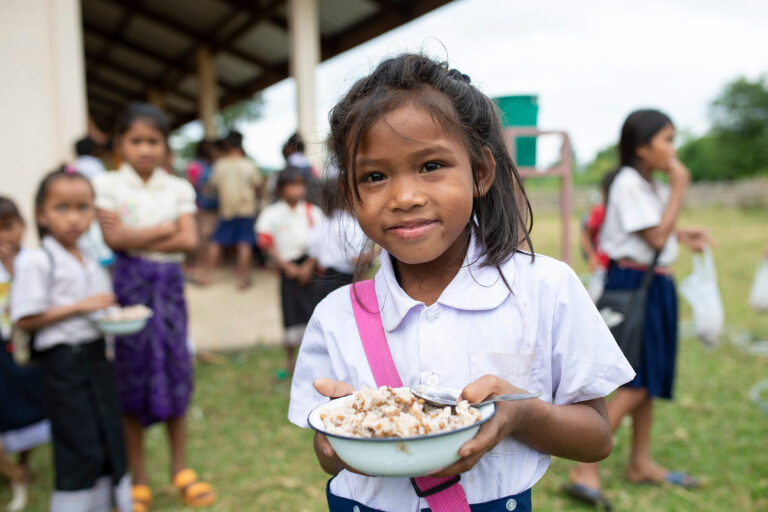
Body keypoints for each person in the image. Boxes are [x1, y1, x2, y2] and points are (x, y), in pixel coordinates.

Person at [287, 53, 636, 512]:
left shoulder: (545, 288)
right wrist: (341, 435)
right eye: (374, 176)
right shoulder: (337, 315)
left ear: (481, 173)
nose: (405, 197)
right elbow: (327, 459)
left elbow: (597, 438)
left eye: (431, 165)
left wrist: (523, 414)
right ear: (351, 196)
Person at [564, 109, 716, 509]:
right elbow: (653, 236)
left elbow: (662, 231)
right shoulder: (630, 183)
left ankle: (640, 463)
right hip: (632, 285)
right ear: (641, 148)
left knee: (650, 381)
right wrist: (681, 188)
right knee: (636, 382)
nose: (673, 149)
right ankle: (584, 465)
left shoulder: (651, 186)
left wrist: (684, 233)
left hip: (656, 283)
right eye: (667, 140)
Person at [93, 103, 215, 511]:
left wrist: (137, 235)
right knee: (131, 377)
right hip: (129, 290)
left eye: (153, 141)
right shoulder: (108, 184)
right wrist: (166, 229)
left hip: (169, 291)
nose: (145, 149)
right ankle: (138, 477)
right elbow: (114, 242)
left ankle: (180, 468)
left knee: (176, 369)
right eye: (136, 140)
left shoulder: (178, 187)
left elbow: (188, 242)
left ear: (165, 146)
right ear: (120, 144)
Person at [10, 168, 130, 511]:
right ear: (41, 214)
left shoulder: (90, 259)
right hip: (63, 364)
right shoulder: (37, 260)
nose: (73, 218)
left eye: (83, 207)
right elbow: (25, 318)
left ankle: (109, 503)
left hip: (95, 357)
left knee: (107, 432)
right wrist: (80, 307)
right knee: (79, 442)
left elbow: (97, 310)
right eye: (61, 208)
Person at [0, 196, 51, 512]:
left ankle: (22, 466)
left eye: (8, 226)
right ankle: (14, 472)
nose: (3, 235)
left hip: (27, 352)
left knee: (26, 411)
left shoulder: (34, 262)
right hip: (2, 353)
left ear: (23, 226)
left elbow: (35, 303)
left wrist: (12, 269)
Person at [256, 166, 324, 376]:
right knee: (291, 315)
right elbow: (266, 242)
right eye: (291, 185)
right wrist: (286, 267)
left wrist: (308, 266)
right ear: (281, 189)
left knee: (315, 314)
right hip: (287, 268)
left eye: (300, 184)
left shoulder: (313, 212)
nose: (297, 190)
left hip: (310, 267)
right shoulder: (272, 213)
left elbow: (321, 240)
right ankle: (290, 362)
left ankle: (318, 362)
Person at [198, 131, 263, 289]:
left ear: (226, 145)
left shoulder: (220, 165)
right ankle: (242, 279)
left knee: (217, 241)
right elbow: (258, 185)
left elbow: (208, 187)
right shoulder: (249, 164)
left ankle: (206, 276)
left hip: (226, 210)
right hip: (246, 210)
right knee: (244, 243)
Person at [308, 178, 373, 300]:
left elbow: (314, 255)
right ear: (349, 196)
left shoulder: (322, 224)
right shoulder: (351, 225)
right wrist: (376, 253)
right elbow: (355, 260)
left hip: (323, 281)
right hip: (345, 280)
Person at [580, 170, 618, 301]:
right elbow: (585, 235)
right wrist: (591, 256)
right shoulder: (599, 212)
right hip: (602, 265)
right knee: (595, 301)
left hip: (621, 265)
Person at [185, 139, 220, 273]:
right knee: (211, 236)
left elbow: (190, 187)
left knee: (201, 236)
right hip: (214, 206)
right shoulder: (215, 166)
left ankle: (200, 264)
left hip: (199, 205)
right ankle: (210, 265)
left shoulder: (194, 166)